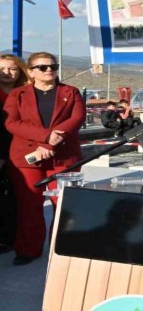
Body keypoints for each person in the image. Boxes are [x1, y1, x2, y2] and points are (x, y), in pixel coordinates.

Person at [2, 52, 85, 265]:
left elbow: (76, 119)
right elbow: (12, 123)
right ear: (31, 72)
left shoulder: (71, 92)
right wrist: (45, 137)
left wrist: (48, 145)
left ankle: (62, 249)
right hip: (27, 158)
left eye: (53, 66)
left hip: (64, 157)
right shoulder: (18, 94)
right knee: (30, 204)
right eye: (42, 67)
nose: (49, 70)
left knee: (64, 204)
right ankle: (28, 250)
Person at [0, 55, 31, 254]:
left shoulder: (26, 93)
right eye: (2, 68)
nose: (7, 73)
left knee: (14, 195)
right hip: (2, 148)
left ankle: (9, 238)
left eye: (12, 69)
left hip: (20, 148)